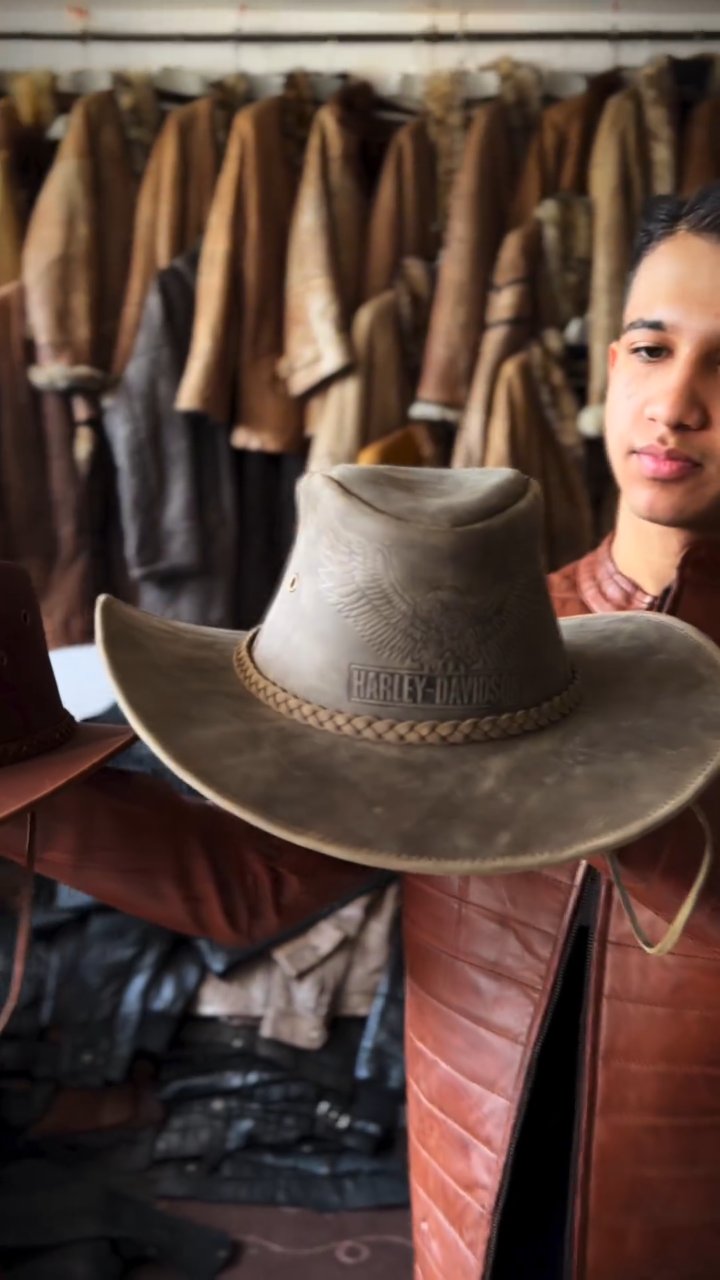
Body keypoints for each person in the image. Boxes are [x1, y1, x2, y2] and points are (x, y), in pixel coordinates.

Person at [4, 185, 720, 1280]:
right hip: (471, 1206)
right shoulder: (488, 641)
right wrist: (18, 770)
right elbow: (248, 886)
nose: (677, 402)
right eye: (651, 346)